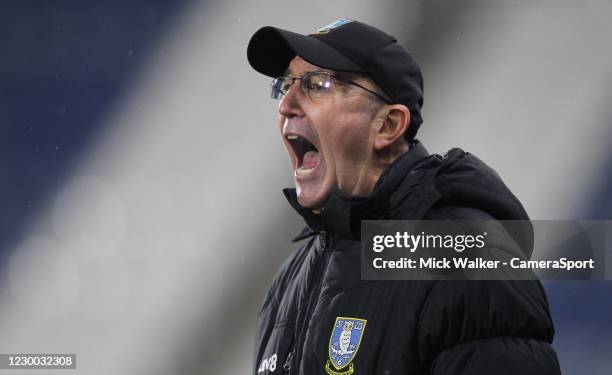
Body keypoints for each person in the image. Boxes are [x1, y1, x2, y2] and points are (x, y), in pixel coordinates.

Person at [247, 19, 560, 375]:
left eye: (318, 84)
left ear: (388, 126)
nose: (286, 104)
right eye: (285, 85)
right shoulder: (289, 280)